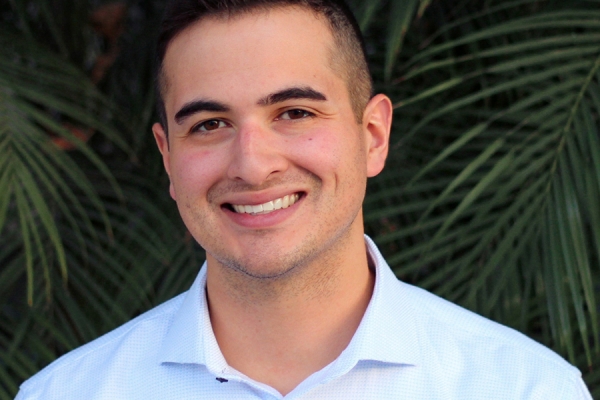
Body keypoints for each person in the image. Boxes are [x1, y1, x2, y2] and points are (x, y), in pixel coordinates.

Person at [15, 0, 593, 398]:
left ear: (373, 136)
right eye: (210, 124)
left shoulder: (524, 388)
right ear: (167, 157)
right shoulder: (66, 394)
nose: (253, 164)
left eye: (294, 113)